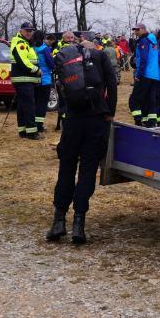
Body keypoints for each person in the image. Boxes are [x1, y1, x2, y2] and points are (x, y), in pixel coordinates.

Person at [48, 33, 118, 245]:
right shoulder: (100, 56)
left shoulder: (67, 58)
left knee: (66, 168)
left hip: (73, 121)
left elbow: (61, 88)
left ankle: (58, 221)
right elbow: (112, 84)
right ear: (94, 44)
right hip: (97, 119)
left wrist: (65, 113)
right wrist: (109, 112)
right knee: (87, 170)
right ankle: (79, 224)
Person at [9, 21, 43, 139]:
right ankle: (32, 132)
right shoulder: (20, 43)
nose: (29, 33)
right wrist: (36, 70)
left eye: (30, 31)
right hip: (24, 79)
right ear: (21, 31)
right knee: (29, 106)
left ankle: (23, 131)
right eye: (27, 31)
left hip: (24, 79)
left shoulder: (25, 42)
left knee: (23, 105)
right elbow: (23, 61)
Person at [127, 23, 156, 125]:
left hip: (145, 74)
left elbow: (144, 59)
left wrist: (139, 75)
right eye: (134, 30)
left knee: (133, 100)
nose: (135, 32)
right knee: (148, 99)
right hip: (153, 75)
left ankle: (138, 121)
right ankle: (149, 122)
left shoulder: (144, 41)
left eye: (137, 30)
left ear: (143, 29)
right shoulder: (153, 40)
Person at [32, 29, 54, 136]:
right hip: (45, 79)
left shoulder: (31, 48)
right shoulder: (45, 49)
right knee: (42, 103)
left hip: (34, 79)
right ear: (43, 37)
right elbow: (51, 64)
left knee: (35, 102)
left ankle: (33, 124)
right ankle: (39, 125)